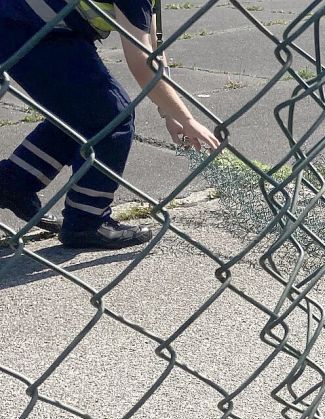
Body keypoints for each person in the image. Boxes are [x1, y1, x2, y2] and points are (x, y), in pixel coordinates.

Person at [0, 0, 220, 249]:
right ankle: (87, 221)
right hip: (29, 28)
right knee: (112, 116)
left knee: (85, 112)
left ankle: (14, 182)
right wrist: (187, 119)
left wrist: (170, 114)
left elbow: (154, 46)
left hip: (33, 26)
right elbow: (141, 62)